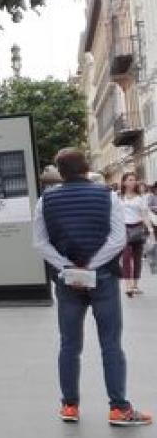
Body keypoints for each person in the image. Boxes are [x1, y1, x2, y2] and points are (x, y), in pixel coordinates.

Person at [33, 148, 151, 426]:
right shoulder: (107, 196)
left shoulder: (45, 201)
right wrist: (92, 267)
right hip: (105, 280)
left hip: (67, 283)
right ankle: (119, 409)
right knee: (111, 343)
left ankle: (69, 406)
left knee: (69, 344)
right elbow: (117, 239)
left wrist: (68, 268)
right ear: (87, 168)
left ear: (59, 173)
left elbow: (39, 243)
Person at [117, 173, 152, 297]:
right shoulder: (119, 197)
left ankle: (135, 285)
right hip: (124, 229)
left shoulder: (140, 198)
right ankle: (128, 286)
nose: (133, 182)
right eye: (130, 180)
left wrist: (150, 229)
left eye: (134, 180)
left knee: (137, 259)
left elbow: (145, 215)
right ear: (124, 182)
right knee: (126, 257)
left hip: (138, 228)